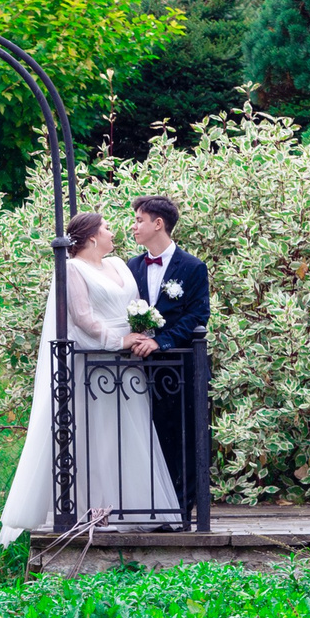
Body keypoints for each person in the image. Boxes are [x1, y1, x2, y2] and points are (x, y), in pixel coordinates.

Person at [0, 212, 180, 544]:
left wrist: (140, 332)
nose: (114, 232)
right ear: (92, 237)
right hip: (95, 366)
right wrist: (118, 340)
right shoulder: (72, 270)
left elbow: (135, 304)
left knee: (129, 432)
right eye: (107, 228)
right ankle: (97, 509)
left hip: (127, 367)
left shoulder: (120, 266)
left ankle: (135, 505)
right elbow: (82, 318)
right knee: (97, 435)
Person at [124, 194, 210, 511]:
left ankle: (183, 510)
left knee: (183, 438)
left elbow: (197, 316)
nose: (133, 227)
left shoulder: (192, 267)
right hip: (139, 371)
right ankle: (151, 504)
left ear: (158, 224)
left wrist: (162, 341)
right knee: (148, 438)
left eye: (139, 220)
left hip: (181, 370)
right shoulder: (131, 267)